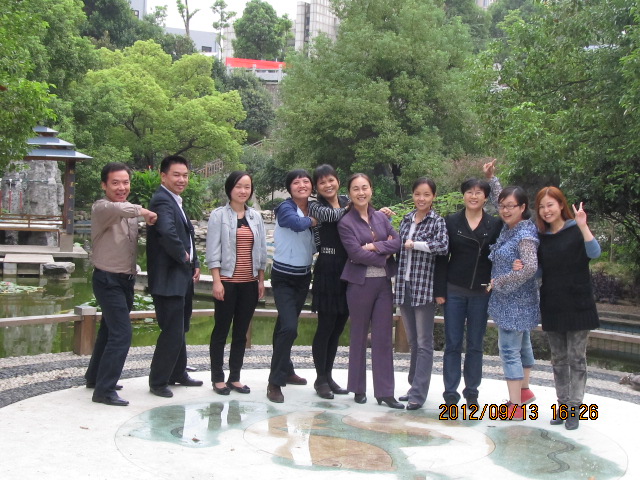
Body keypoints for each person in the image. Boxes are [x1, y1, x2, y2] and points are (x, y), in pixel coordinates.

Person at [85, 163, 157, 406]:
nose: (121, 187)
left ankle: (95, 377)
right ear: (104, 185)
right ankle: (104, 391)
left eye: (125, 182)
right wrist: (144, 211)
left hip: (125, 280)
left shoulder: (128, 213)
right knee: (121, 334)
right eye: (115, 183)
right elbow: (122, 209)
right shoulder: (102, 207)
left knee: (108, 329)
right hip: (107, 280)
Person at [434, 164, 502, 409]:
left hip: (481, 292)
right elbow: (442, 257)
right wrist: (439, 290)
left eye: (479, 192)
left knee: (475, 344)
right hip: (454, 290)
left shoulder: (494, 224)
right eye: (469, 192)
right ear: (463, 195)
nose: (473, 196)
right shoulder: (451, 221)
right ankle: (450, 393)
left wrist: (493, 179)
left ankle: (472, 392)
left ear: (485, 197)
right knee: (452, 343)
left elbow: (499, 256)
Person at [535, 187, 600, 430]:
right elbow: (540, 271)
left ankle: (575, 408)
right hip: (553, 302)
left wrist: (583, 226)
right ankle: (562, 406)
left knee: (576, 358)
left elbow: (594, 252)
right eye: (542, 206)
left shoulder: (575, 229)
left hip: (578, 303)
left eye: (550, 205)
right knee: (558, 359)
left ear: (561, 205)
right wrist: (523, 265)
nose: (546, 210)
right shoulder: (542, 237)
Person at [337, 173, 403, 409]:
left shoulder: (381, 217)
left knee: (383, 338)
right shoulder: (346, 222)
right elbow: (355, 253)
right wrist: (384, 256)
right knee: (358, 335)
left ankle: (385, 392)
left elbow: (397, 241)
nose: (361, 192)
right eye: (356, 189)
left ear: (371, 190)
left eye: (364, 187)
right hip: (359, 285)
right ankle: (357, 388)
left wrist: (374, 246)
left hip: (383, 284)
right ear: (350, 193)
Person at [206, 172, 267, 396]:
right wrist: (217, 281)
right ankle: (217, 378)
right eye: (239, 186)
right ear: (230, 188)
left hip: (249, 283)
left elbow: (261, 250)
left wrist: (261, 279)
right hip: (227, 282)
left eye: (247, 187)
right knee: (221, 330)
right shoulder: (218, 215)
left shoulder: (255, 217)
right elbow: (213, 250)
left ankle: (235, 377)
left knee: (241, 333)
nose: (243, 191)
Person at [147, 155, 203, 398]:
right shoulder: (161, 200)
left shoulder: (175, 200)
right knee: (172, 330)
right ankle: (158, 381)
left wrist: (195, 263)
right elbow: (167, 232)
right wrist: (184, 257)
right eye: (176, 175)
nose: (182, 180)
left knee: (180, 328)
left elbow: (187, 234)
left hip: (181, 276)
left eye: (185, 175)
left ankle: (178, 372)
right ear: (163, 176)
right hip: (168, 278)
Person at [395, 178, 449, 410]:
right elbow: (397, 245)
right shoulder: (407, 219)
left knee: (424, 342)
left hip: (424, 287)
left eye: (426, 194)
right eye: (417, 194)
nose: (421, 198)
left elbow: (443, 247)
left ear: (433, 196)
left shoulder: (437, 221)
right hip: (403, 285)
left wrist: (415, 244)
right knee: (413, 341)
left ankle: (419, 392)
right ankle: (413, 386)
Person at [488, 185, 540, 420]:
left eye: (511, 206)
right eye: (503, 206)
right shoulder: (511, 227)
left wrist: (500, 281)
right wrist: (492, 179)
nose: (505, 210)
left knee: (509, 350)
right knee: (524, 345)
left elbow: (530, 267)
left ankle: (515, 405)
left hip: (515, 302)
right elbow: (497, 198)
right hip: (514, 300)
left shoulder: (525, 234)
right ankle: (524, 390)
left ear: (523, 207)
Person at [267, 170, 318, 403]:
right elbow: (294, 224)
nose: (302, 185)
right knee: (289, 327)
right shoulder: (285, 208)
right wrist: (314, 221)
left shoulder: (315, 207)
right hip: (283, 277)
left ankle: (286, 369)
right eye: (296, 182)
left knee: (284, 326)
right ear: (289, 188)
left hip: (303, 276)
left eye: (306, 181)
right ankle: (274, 382)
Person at [308, 164, 350, 399]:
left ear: (338, 181)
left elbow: (366, 217)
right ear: (316, 187)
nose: (328, 185)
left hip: (348, 268)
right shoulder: (316, 207)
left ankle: (329, 375)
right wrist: (354, 206)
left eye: (331, 180)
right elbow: (333, 216)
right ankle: (320, 379)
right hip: (327, 267)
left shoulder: (346, 200)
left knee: (338, 327)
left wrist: (379, 213)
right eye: (322, 182)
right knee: (325, 326)